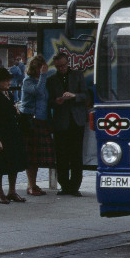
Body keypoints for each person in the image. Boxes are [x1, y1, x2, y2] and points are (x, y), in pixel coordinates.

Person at [47, 52, 89, 196]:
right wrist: (55, 102)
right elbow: (49, 101)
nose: (61, 68)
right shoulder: (51, 80)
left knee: (76, 155)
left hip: (76, 120)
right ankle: (64, 185)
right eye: (58, 66)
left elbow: (85, 95)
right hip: (61, 121)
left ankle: (75, 186)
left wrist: (74, 96)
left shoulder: (77, 75)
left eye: (63, 65)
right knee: (62, 155)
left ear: (68, 63)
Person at [0, 68, 27, 204]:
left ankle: (12, 191)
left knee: (13, 163)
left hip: (12, 133)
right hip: (0, 135)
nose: (9, 82)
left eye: (9, 79)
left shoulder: (8, 93)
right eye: (6, 80)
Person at [19, 54, 56, 196]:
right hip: (31, 120)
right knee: (31, 155)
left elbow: (46, 99)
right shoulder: (28, 81)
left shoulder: (41, 80)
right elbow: (38, 91)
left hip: (42, 120)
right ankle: (31, 185)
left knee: (38, 156)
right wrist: (43, 76)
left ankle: (33, 184)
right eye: (39, 67)